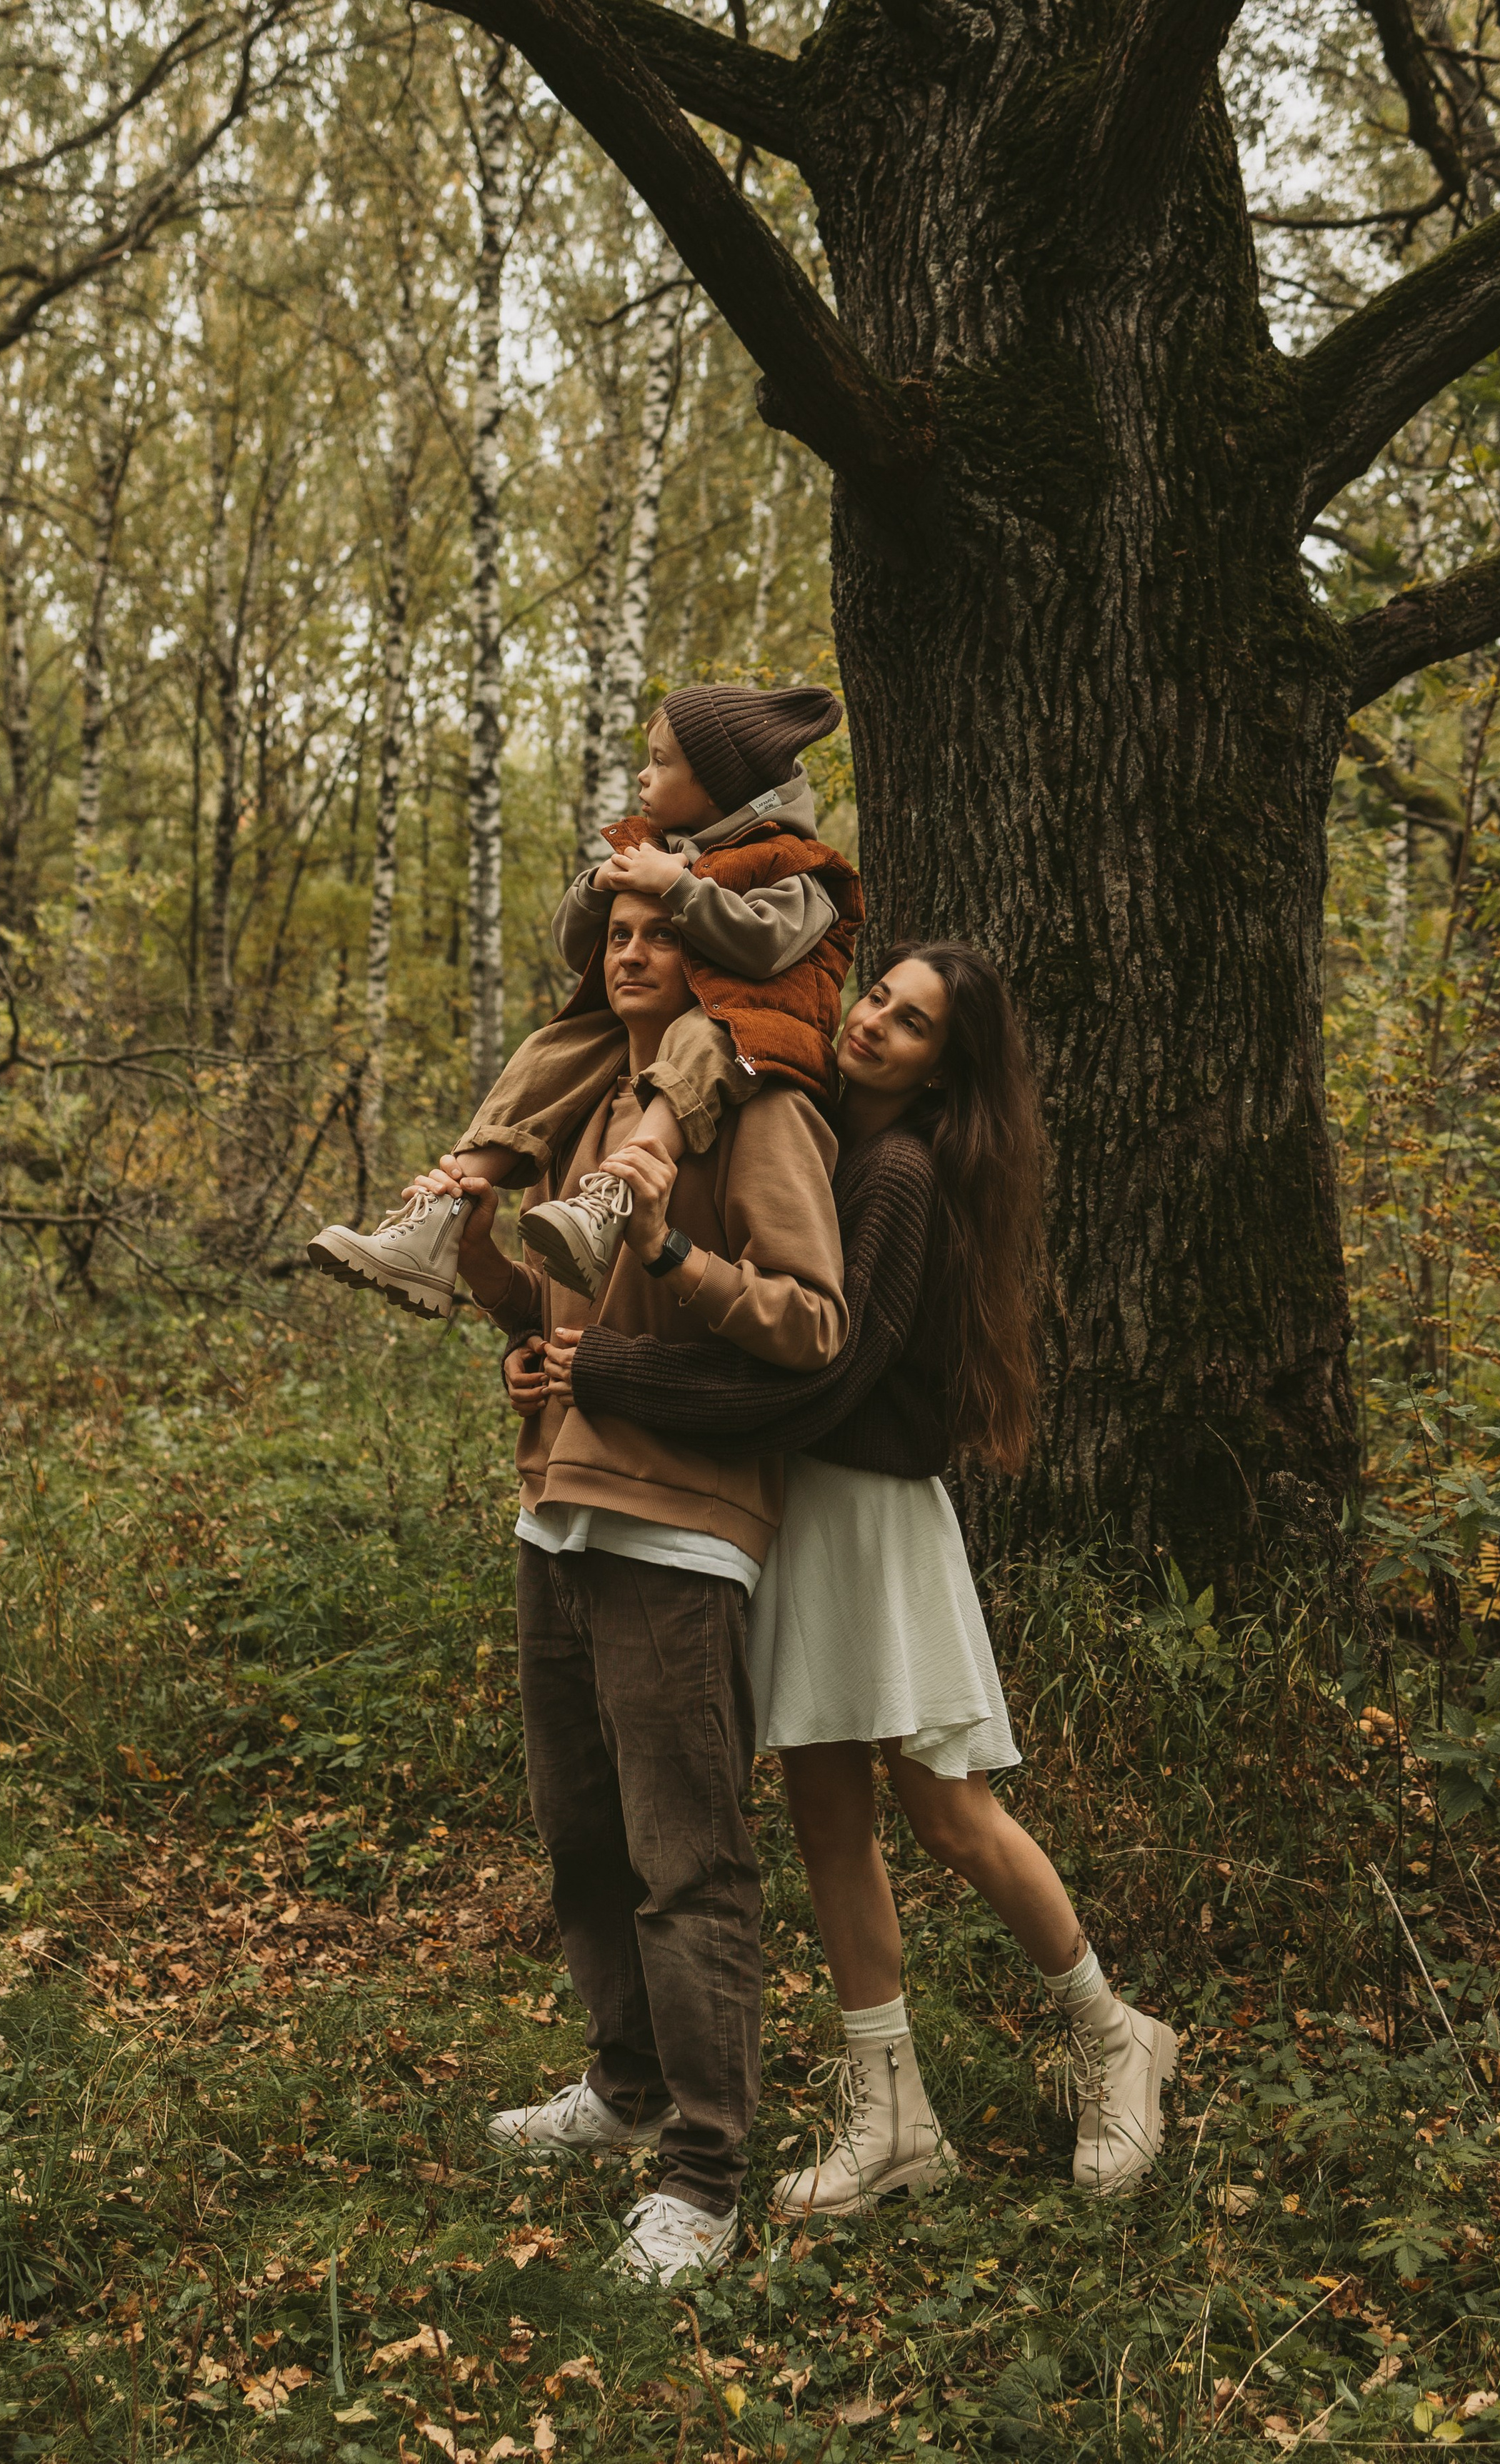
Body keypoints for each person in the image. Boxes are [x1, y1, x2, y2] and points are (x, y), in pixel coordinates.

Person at [525, 944, 1179, 2212]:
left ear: (949, 1070)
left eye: (915, 1022)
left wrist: (609, 1370)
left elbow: (825, 1373)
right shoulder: (821, 1139)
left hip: (871, 1520)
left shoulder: (898, 1171)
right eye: (877, 996)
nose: (875, 1021)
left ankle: (1115, 2038)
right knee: (828, 1821)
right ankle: (892, 2121)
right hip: (799, 1511)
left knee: (950, 1812)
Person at [434, 885, 848, 2285]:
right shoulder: (585, 1105)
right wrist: (492, 1271)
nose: (625, 952)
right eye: (611, 934)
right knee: (578, 1833)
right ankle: (622, 2090)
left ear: (713, 959)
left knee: (686, 1862)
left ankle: (703, 2176)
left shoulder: (764, 1112)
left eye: (655, 933)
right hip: (554, 1512)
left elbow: (811, 1321)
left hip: (680, 1531)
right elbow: (554, 1321)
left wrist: (670, 1255)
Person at [307, 681, 860, 1313]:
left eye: (660, 760)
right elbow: (580, 952)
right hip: (688, 1033)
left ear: (715, 783)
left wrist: (680, 891)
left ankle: (612, 1195)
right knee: (560, 1042)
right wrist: (598, 887)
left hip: (757, 1039)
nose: (642, 775)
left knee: (705, 1037)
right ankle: (444, 1211)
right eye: (623, 936)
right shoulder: (663, 858)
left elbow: (766, 946)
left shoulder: (794, 865)